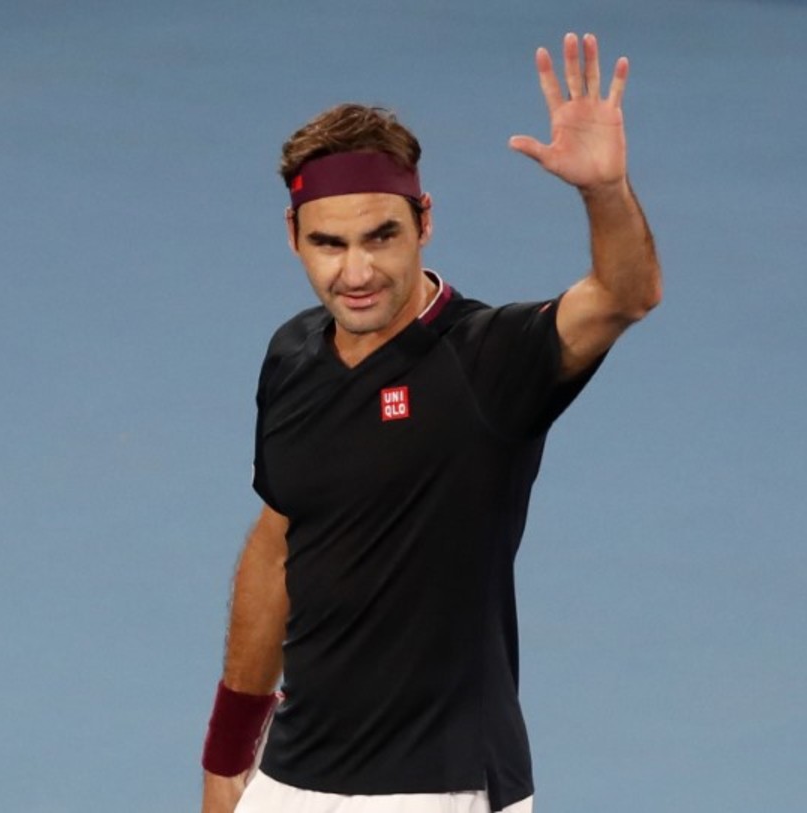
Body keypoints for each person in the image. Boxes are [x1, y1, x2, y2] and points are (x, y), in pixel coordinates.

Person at [201, 32, 661, 813]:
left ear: (424, 221)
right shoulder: (292, 356)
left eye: (381, 236)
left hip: (444, 785)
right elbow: (278, 545)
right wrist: (228, 751)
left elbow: (624, 295)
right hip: (293, 775)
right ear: (293, 237)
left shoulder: (488, 360)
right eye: (329, 243)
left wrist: (605, 192)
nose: (356, 271)